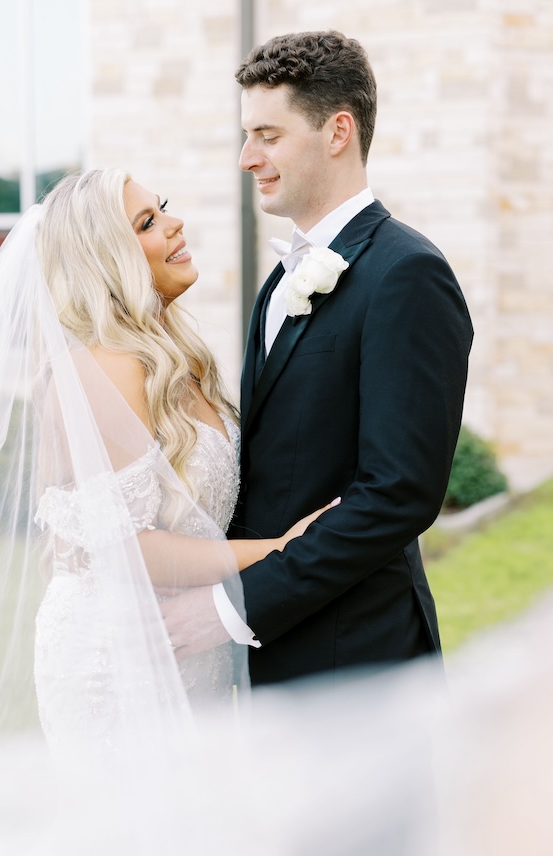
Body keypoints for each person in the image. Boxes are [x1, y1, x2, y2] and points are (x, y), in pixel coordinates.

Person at [0, 168, 330, 772]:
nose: (175, 223)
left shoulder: (179, 358)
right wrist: (279, 549)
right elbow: (124, 548)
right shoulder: (105, 368)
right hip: (113, 653)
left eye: (163, 208)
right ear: (107, 259)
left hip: (185, 637)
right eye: (147, 223)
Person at [162, 30, 474, 686]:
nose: (248, 157)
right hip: (269, 660)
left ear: (338, 131)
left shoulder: (407, 274)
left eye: (268, 135)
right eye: (247, 135)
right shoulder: (280, 281)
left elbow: (398, 494)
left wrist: (231, 605)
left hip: (358, 661)